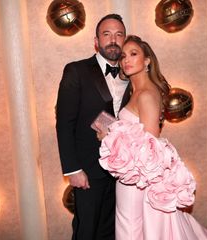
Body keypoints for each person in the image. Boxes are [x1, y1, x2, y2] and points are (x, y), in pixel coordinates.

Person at [97, 35, 207, 240]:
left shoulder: (145, 94)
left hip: (136, 180)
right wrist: (113, 132)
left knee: (131, 230)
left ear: (147, 61)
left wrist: (110, 139)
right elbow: (137, 133)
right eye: (124, 55)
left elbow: (149, 147)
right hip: (131, 177)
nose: (126, 59)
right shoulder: (137, 92)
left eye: (134, 54)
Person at [55, 14, 131, 240]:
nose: (113, 40)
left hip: (121, 173)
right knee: (86, 231)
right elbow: (64, 124)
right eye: (106, 34)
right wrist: (73, 170)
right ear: (96, 41)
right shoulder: (76, 71)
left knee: (112, 231)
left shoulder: (132, 75)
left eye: (119, 34)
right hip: (87, 171)